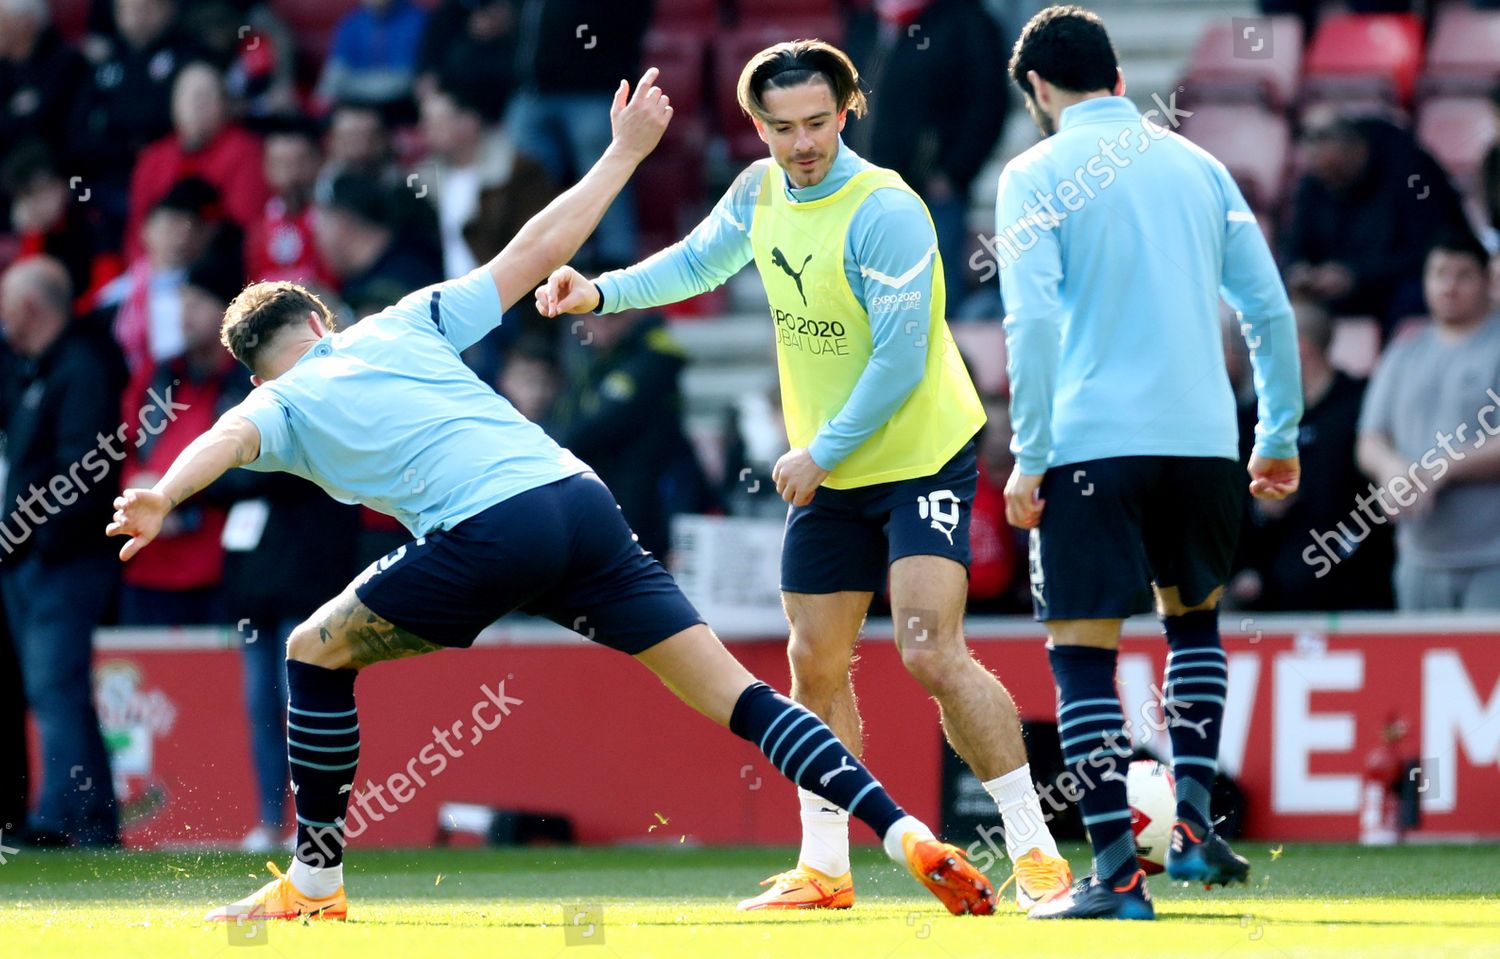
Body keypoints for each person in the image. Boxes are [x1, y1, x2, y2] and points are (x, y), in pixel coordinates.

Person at [106, 69, 998, 923]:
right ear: (321, 320)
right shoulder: (401, 321)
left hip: (491, 531)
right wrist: (624, 154)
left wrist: (160, 489)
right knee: (744, 696)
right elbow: (533, 250)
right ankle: (908, 832)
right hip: (578, 498)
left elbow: (226, 438)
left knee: (309, 651)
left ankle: (313, 879)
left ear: (259, 363)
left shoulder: (276, 401)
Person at [536, 40, 1072, 913]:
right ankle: (825, 867)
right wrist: (600, 293)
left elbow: (900, 360)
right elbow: (699, 260)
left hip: (916, 457)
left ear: (848, 110)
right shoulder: (757, 191)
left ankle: (1037, 851)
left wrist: (820, 452)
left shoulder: (887, 209)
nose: (802, 143)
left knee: (930, 651)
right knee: (813, 662)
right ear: (757, 127)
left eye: (817, 122)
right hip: (830, 473)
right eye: (781, 128)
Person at [997, 6, 1302, 919]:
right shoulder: (1201, 167)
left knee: (1083, 659)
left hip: (1093, 442)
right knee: (1193, 627)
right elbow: (1272, 313)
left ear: (1039, 92)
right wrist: (1276, 435)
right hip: (1205, 443)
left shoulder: (1034, 172)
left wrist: (1029, 454)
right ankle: (1198, 830)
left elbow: (1033, 322)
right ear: (1120, 79)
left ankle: (1117, 876)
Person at [0, 255, 126, 848]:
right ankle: (88, 818)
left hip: (64, 562)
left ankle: (63, 819)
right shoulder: (41, 370)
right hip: (38, 561)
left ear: (29, 306)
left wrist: (39, 541)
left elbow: (83, 471)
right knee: (54, 689)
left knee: (55, 687)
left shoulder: (81, 367)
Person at [1357, 232, 1500, 611]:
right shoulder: (1405, 349)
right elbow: (1370, 438)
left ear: (1488, 282)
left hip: (1492, 557)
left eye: (1463, 275)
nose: (1449, 287)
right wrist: (1391, 469)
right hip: (1418, 556)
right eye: (1439, 274)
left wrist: (1445, 468)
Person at [1230, 299, 1393, 612]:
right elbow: (1233, 506)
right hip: (1272, 601)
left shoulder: (1362, 406)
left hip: (1357, 596)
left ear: (1299, 349)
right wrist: (1261, 510)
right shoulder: (1255, 417)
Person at [116, 250, 251, 625]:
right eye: (182, 300)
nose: (186, 312)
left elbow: (254, 467)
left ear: (230, 312)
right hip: (148, 569)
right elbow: (124, 449)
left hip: (217, 574)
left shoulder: (247, 382)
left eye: (199, 301)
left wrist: (173, 491)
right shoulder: (159, 375)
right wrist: (134, 486)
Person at [844, 0, 1009, 307]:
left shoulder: (965, 22)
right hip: (866, 195)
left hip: (932, 198)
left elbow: (987, 105)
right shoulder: (868, 24)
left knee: (936, 299)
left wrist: (952, 172)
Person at [1282, 107, 1468, 336]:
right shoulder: (1315, 181)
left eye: (1335, 171)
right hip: (1341, 286)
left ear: (1355, 148)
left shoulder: (1413, 171)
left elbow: (1432, 245)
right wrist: (1300, 271)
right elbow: (1296, 244)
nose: (1330, 182)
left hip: (1398, 281)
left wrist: (1357, 276)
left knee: (1415, 295)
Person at [549, 307, 705, 560]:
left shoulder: (651, 358)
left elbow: (592, 431)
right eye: (589, 315)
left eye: (611, 314)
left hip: (646, 505)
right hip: (611, 503)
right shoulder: (594, 361)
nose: (600, 323)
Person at [507, 0, 651, 268]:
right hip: (534, 93)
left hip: (592, 92)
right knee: (529, 179)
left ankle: (616, 259)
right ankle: (535, 257)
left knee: (607, 169)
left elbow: (623, 23)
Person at [124, 60, 268, 262]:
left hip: (216, 271)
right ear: (173, 104)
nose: (197, 104)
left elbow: (243, 229)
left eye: (207, 96)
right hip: (154, 270)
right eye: (189, 96)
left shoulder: (246, 151)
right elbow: (137, 230)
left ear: (225, 104)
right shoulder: (153, 157)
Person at [0, 0, 88, 173]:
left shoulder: (65, 63)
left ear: (25, 23)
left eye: (1, 21)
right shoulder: (3, 69)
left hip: (56, 171)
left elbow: (51, 123)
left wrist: (11, 115)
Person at [245, 119, 331, 285]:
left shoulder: (337, 219)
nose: (291, 174)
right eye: (280, 164)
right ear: (266, 167)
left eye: (300, 162)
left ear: (319, 161)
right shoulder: (257, 226)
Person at [315, 0, 429, 108]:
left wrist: (349, 87)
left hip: (397, 105)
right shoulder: (351, 22)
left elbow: (403, 81)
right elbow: (331, 82)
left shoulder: (417, 21)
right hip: (354, 104)